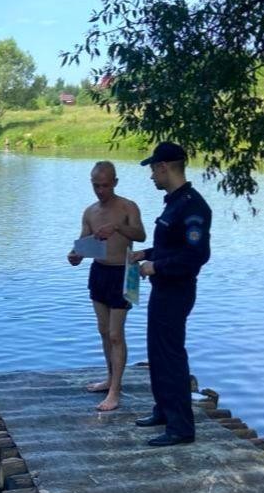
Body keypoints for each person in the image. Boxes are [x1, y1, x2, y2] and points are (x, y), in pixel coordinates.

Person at [129, 142, 212, 446]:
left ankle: (181, 428)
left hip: (176, 290)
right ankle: (163, 410)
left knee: (171, 355)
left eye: (153, 169)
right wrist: (145, 254)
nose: (152, 175)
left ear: (164, 167)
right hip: (163, 288)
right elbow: (171, 247)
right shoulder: (174, 203)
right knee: (157, 353)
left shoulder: (193, 206)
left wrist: (156, 267)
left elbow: (196, 255)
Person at [67, 161, 146, 411]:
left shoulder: (128, 207)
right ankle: (110, 379)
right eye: (95, 185)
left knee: (115, 334)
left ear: (115, 182)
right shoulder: (90, 211)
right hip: (99, 271)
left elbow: (141, 235)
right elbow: (82, 243)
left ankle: (115, 391)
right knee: (103, 331)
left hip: (124, 272)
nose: (100, 190)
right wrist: (74, 256)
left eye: (104, 185)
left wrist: (118, 227)